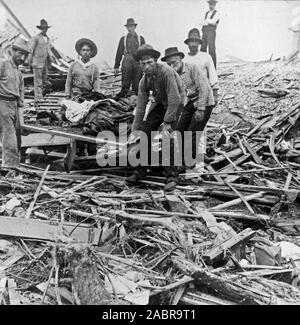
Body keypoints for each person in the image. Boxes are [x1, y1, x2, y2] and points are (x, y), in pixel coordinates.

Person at [125, 44, 184, 191]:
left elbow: (175, 99)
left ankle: (172, 176)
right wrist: (135, 129)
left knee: (167, 136)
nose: (146, 66)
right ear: (139, 65)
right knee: (145, 133)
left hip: (177, 102)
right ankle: (140, 171)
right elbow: (140, 107)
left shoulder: (166, 72)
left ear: (155, 61)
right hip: (161, 102)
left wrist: (167, 122)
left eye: (149, 62)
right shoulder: (144, 81)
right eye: (143, 64)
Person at [161, 47, 215, 171]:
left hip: (205, 101)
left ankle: (189, 162)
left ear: (180, 59)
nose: (172, 66)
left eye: (174, 62)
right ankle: (187, 158)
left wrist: (201, 109)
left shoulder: (192, 68)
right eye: (169, 64)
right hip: (190, 101)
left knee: (192, 132)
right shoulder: (172, 75)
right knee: (180, 130)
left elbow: (204, 88)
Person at [0, 37, 29, 177]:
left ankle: (15, 167)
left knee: (17, 138)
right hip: (2, 104)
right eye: (20, 53)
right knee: (9, 137)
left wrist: (21, 122)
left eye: (25, 55)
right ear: (13, 51)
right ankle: (9, 169)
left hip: (14, 107)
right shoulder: (3, 65)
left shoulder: (20, 74)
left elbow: (21, 101)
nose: (22, 58)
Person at [184, 28, 219, 103]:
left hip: (204, 94)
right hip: (188, 96)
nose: (193, 44)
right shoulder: (184, 59)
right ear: (188, 43)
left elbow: (213, 77)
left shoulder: (206, 57)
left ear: (199, 43)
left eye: (196, 41)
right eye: (191, 41)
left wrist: (215, 96)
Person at [114, 18, 145, 98]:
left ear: (135, 27)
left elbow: (145, 52)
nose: (129, 28)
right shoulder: (123, 39)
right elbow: (119, 52)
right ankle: (123, 98)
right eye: (128, 27)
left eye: (131, 26)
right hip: (127, 60)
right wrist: (116, 66)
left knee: (137, 83)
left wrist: (144, 64)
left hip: (137, 61)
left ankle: (138, 99)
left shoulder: (140, 39)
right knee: (125, 82)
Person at [28, 19, 53, 104]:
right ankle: (38, 99)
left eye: (46, 28)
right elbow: (31, 50)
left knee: (44, 80)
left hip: (45, 63)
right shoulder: (36, 38)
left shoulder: (48, 39)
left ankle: (41, 96)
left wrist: (50, 61)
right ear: (40, 29)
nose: (44, 29)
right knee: (38, 81)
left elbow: (49, 50)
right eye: (43, 28)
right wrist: (29, 62)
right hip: (37, 63)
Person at [200, 0, 220, 68]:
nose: (211, 6)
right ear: (208, 5)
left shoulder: (217, 13)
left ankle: (213, 68)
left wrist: (207, 21)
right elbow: (201, 22)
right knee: (202, 49)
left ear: (215, 5)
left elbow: (214, 21)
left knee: (211, 50)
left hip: (211, 32)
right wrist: (209, 22)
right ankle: (202, 67)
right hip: (204, 32)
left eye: (212, 4)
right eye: (210, 4)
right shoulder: (206, 13)